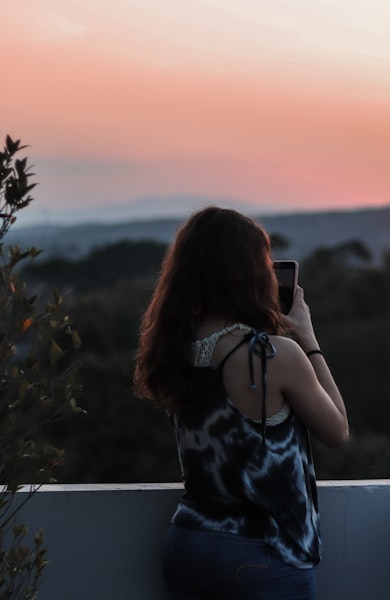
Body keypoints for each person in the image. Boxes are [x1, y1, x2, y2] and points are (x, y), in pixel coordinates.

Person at [133, 206, 348, 600]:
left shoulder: (173, 350)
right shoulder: (274, 356)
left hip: (188, 542)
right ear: (248, 273)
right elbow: (337, 430)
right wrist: (309, 340)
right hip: (261, 553)